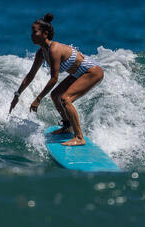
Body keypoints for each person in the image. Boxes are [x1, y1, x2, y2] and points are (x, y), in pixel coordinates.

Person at [9, 13, 103, 147]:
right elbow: (30, 75)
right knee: (55, 95)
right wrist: (17, 95)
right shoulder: (41, 53)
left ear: (45, 33)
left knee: (65, 99)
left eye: (35, 32)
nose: (31, 35)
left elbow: (54, 79)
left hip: (92, 71)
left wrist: (38, 99)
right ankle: (67, 126)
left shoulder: (54, 49)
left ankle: (79, 137)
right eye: (32, 32)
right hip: (79, 73)